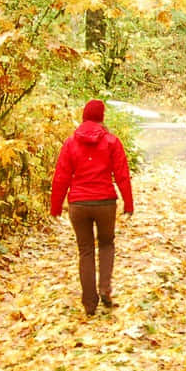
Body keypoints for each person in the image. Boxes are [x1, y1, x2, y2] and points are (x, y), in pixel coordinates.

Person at [49, 99, 134, 315]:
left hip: (78, 204)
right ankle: (105, 288)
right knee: (106, 244)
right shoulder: (112, 142)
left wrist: (56, 206)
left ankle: (89, 303)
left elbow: (61, 177)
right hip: (105, 202)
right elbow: (122, 174)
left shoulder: (70, 143)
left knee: (85, 250)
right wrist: (128, 203)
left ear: (84, 116)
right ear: (101, 117)